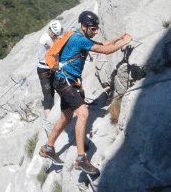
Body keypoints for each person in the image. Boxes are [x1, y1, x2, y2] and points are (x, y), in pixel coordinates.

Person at [39, 11, 132, 175]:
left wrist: (118, 38)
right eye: (92, 29)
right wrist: (125, 43)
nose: (95, 31)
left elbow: (101, 45)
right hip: (66, 82)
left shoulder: (79, 37)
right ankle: (81, 159)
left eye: (96, 28)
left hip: (64, 81)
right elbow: (105, 51)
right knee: (83, 113)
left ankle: (48, 148)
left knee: (66, 117)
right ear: (83, 26)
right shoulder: (78, 39)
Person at [37, 19, 63, 136]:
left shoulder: (52, 36)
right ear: (50, 31)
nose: (55, 36)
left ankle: (52, 118)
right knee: (48, 96)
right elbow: (54, 47)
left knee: (53, 93)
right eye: (54, 34)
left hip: (51, 68)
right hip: (43, 69)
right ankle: (49, 126)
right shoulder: (45, 37)